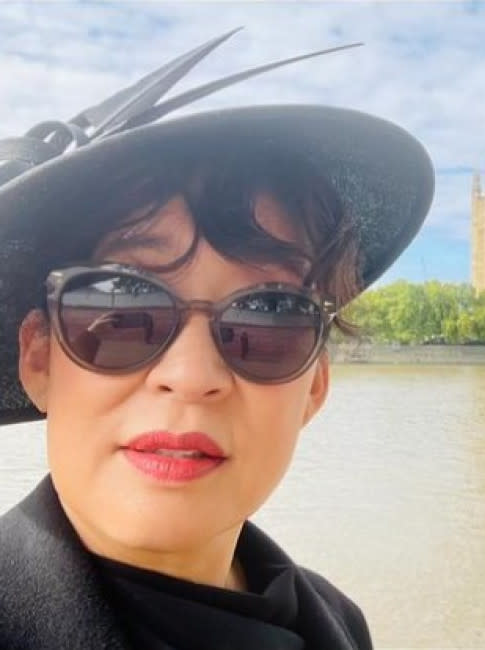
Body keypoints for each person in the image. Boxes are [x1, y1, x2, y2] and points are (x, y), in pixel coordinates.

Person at [0, 29, 434, 650]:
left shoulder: (340, 623)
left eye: (268, 317)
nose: (192, 373)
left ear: (314, 385)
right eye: (121, 303)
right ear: (39, 358)